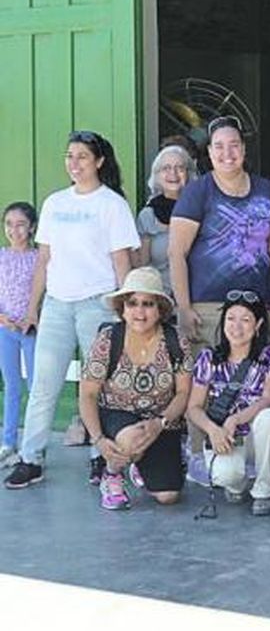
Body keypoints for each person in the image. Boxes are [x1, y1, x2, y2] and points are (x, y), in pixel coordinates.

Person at [4, 131, 139, 490]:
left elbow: (121, 261)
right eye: (69, 156)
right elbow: (44, 260)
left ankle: (100, 456)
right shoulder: (54, 203)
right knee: (43, 384)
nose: (74, 163)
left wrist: (126, 310)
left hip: (98, 304)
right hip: (57, 305)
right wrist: (33, 308)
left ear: (98, 161)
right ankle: (31, 458)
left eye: (82, 156)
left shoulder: (111, 205)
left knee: (99, 386)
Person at [77, 267, 194, 510]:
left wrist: (160, 422)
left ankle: (139, 462)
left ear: (160, 309)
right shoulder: (108, 339)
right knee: (133, 439)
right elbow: (88, 394)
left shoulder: (176, 341)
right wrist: (99, 440)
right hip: (116, 414)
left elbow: (184, 392)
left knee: (168, 496)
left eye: (148, 304)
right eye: (132, 303)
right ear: (123, 308)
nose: (139, 312)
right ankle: (112, 474)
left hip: (161, 419)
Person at [168, 116, 270, 349]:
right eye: (219, 146)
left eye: (234, 145)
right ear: (210, 152)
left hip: (258, 307)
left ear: (243, 149)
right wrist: (183, 307)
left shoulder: (267, 191)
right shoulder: (196, 193)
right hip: (208, 309)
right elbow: (176, 253)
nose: (227, 153)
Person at [186, 290, 270, 516]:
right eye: (231, 319)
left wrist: (236, 419)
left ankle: (264, 489)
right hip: (225, 437)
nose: (237, 327)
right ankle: (238, 483)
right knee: (225, 474)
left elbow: (269, 399)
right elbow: (193, 408)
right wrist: (212, 430)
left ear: (258, 324)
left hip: (257, 436)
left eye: (246, 320)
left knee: (269, 418)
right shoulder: (209, 358)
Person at [0, 202, 39, 468]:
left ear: (32, 227)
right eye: (9, 224)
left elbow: (45, 292)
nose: (14, 230)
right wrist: (3, 318)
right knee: (12, 385)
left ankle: (34, 445)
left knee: (36, 387)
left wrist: (30, 318)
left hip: (32, 330)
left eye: (21, 224)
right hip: (5, 329)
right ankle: (8, 441)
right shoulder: (2, 256)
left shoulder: (39, 259)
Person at [134, 145, 197, 293]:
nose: (173, 173)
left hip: (198, 293)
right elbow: (143, 265)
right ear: (156, 176)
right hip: (162, 295)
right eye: (166, 168)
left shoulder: (200, 210)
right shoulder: (148, 215)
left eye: (179, 168)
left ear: (188, 174)